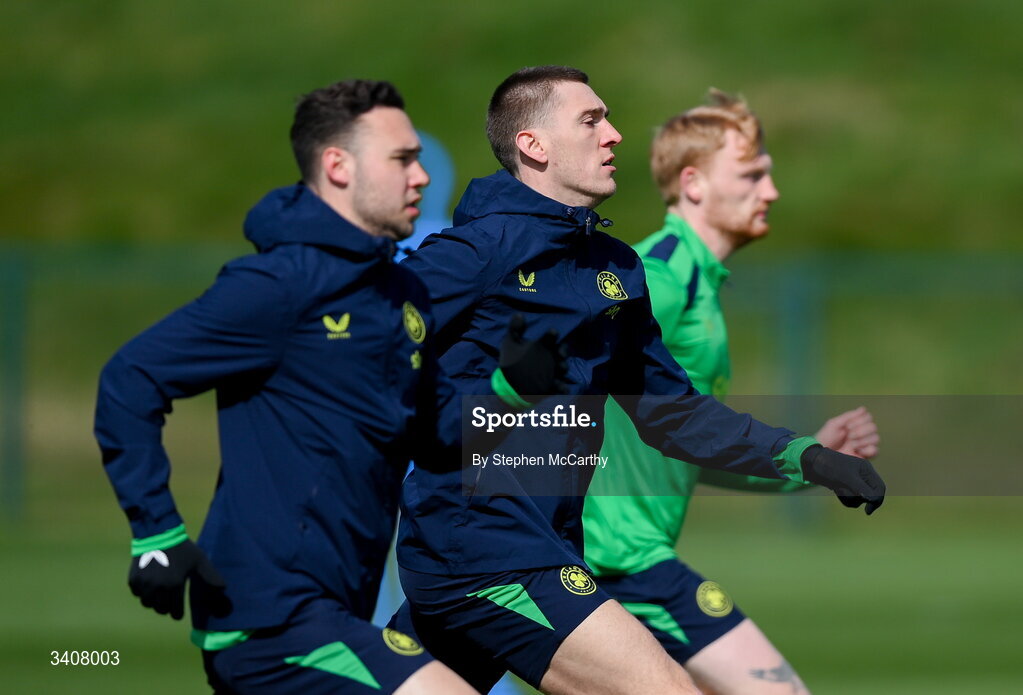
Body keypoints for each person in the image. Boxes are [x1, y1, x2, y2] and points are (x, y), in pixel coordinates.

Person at [393, 66, 886, 695]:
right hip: (486, 552)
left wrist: (804, 456)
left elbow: (673, 412)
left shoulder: (616, 269)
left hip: (537, 546)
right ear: (533, 145)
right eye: (591, 121)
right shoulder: (475, 254)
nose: (614, 135)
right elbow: (363, 359)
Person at [94, 79, 562, 695]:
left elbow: (437, 434)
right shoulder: (279, 284)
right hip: (269, 621)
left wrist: (506, 391)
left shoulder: (402, 298)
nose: (421, 176)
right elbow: (131, 379)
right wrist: (156, 531)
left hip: (339, 607)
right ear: (338, 166)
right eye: (401, 159)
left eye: (419, 157)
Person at [582, 89, 880, 695]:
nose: (769, 192)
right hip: (615, 562)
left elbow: (687, 439)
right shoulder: (656, 280)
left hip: (624, 561)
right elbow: (540, 381)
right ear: (693, 183)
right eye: (751, 175)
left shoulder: (696, 284)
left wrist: (809, 459)